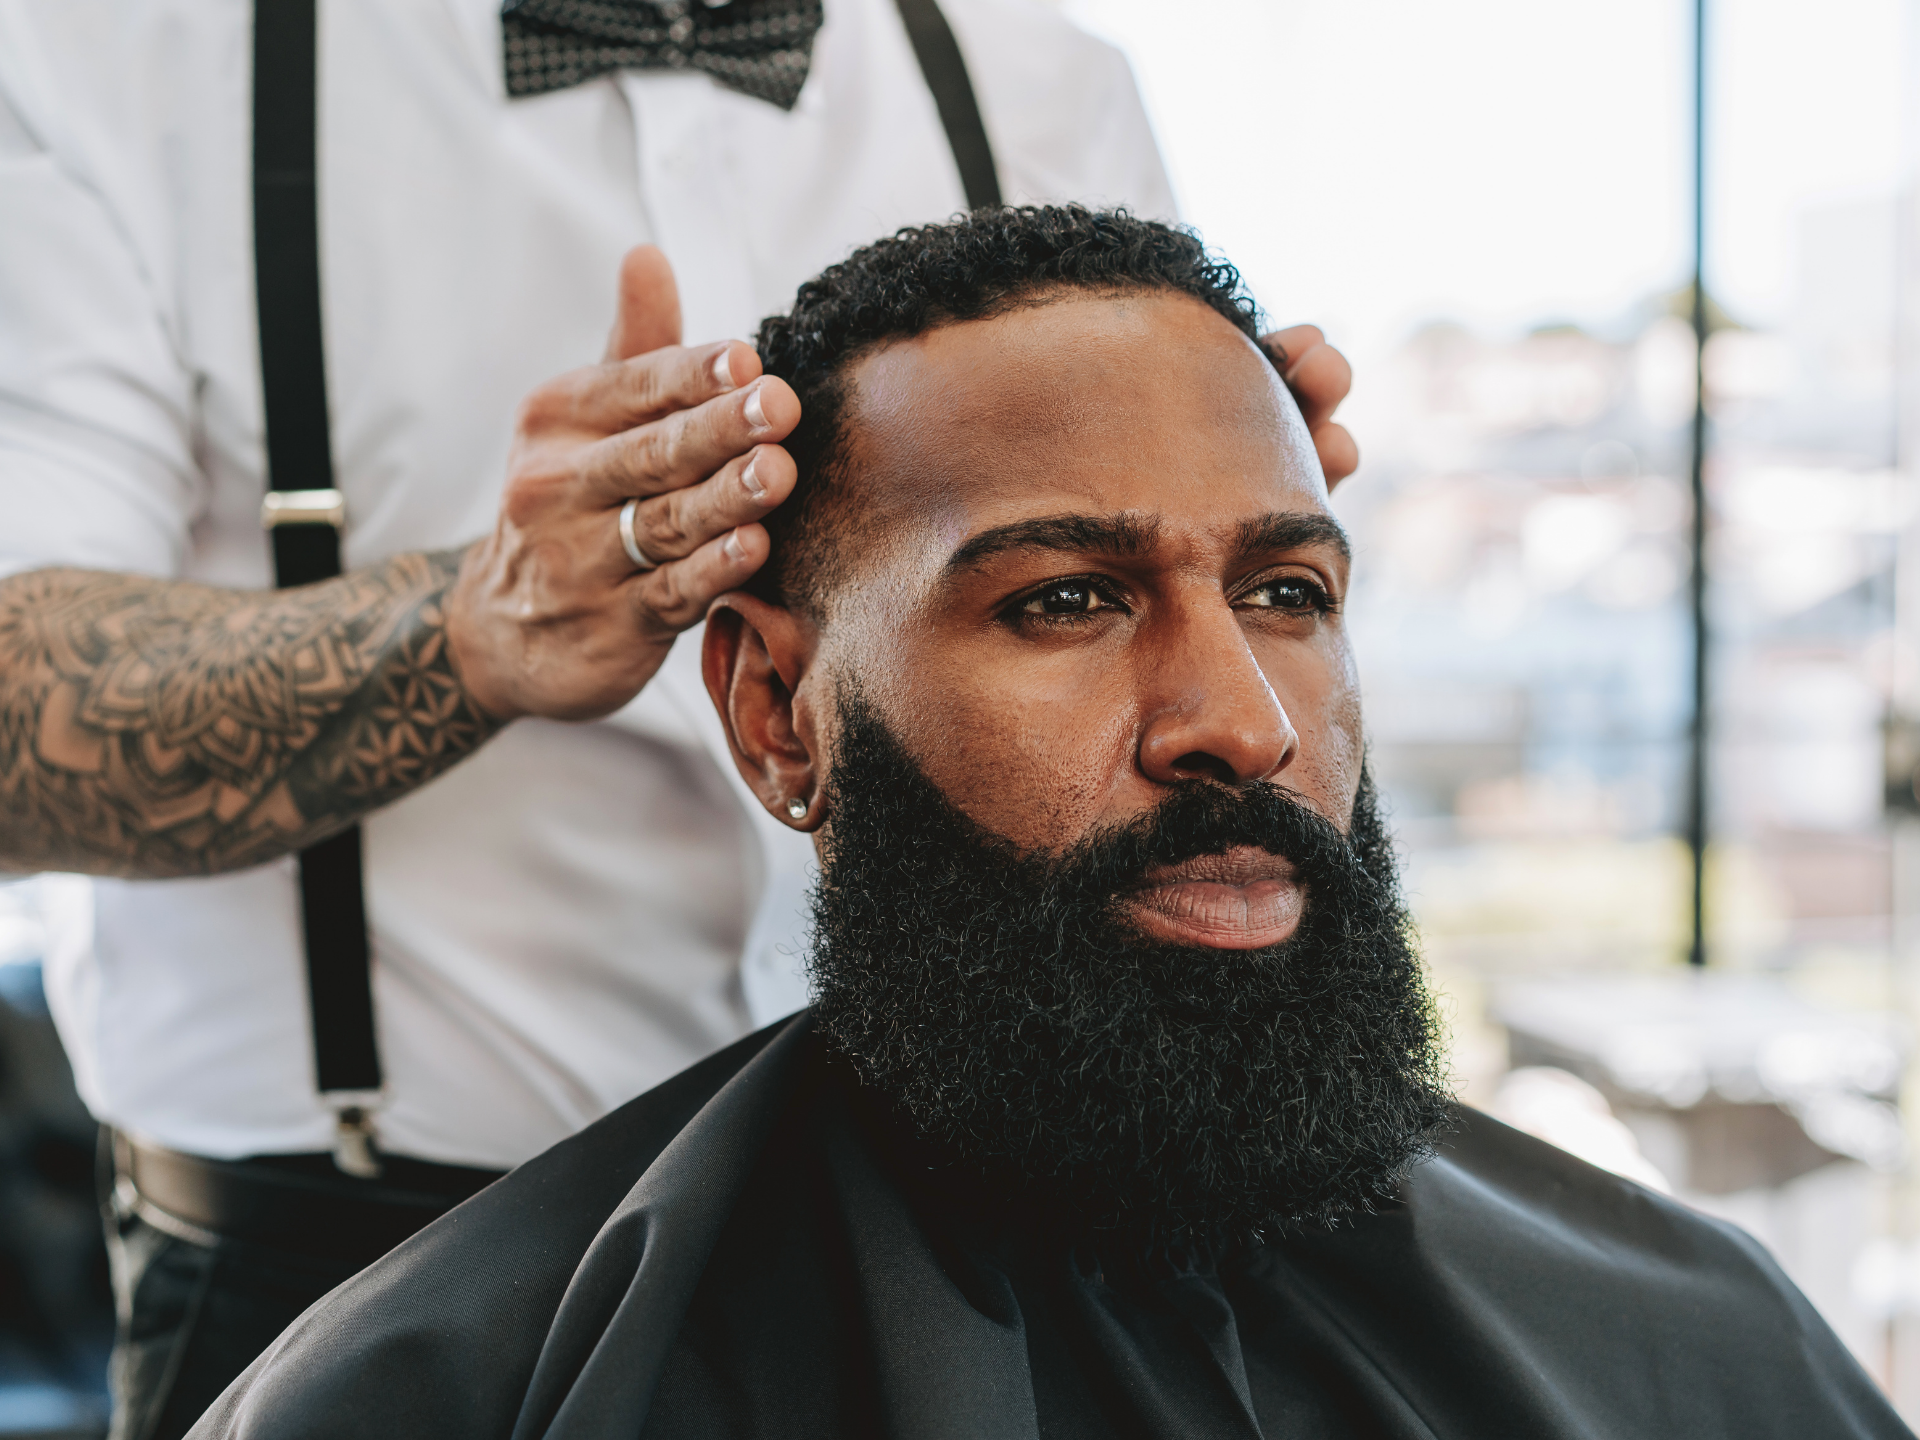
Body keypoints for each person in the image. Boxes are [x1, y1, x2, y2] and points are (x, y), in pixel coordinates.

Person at [187, 207, 1908, 1440]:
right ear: (780, 713)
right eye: (1069, 601)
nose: (1241, 717)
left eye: (1288, 587)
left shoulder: (1690, 1338)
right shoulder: (446, 1393)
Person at [0, 2, 1357, 1434]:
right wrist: (470, 633)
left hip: (994, 1238)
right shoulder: (106, 59)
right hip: (350, 1274)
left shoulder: (1042, 84)